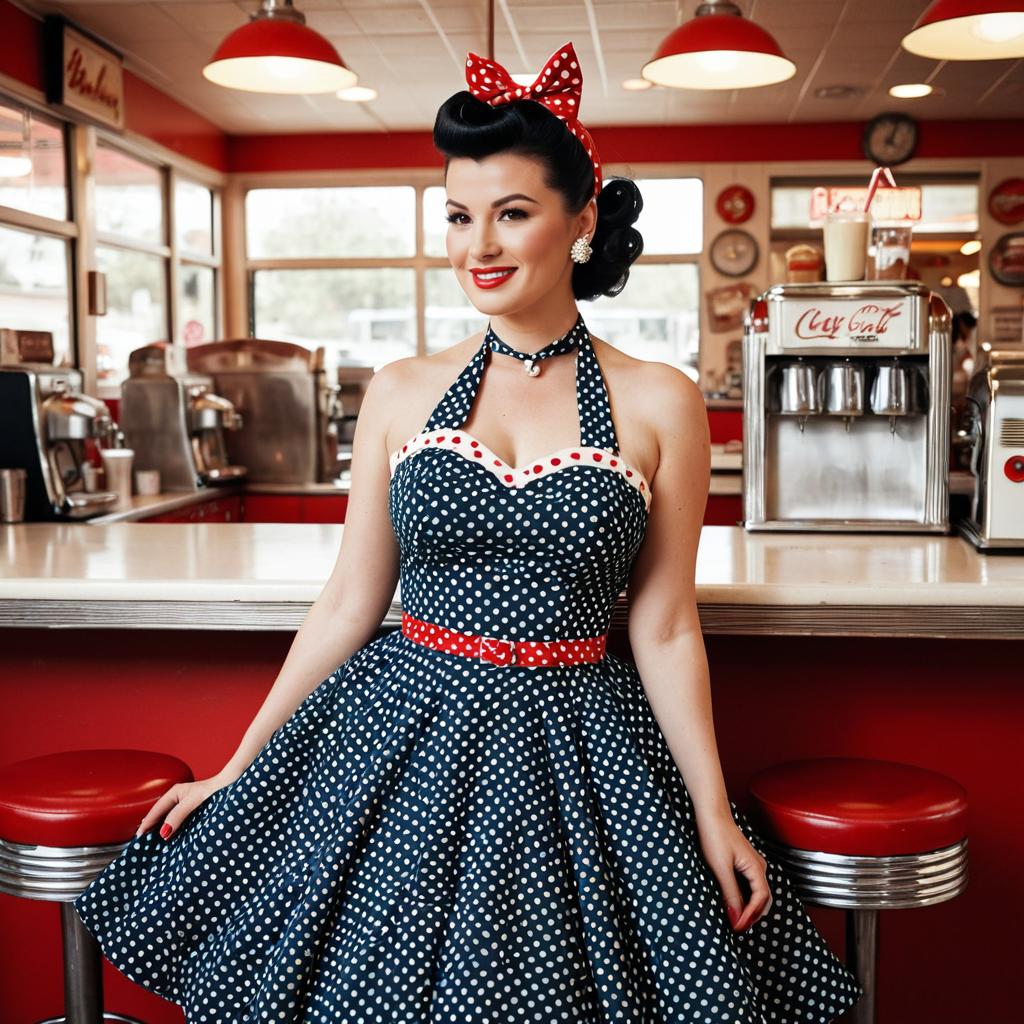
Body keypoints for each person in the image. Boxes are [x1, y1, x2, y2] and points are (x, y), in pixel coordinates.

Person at [72, 41, 863, 1023]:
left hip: (581, 740)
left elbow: (662, 624)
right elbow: (350, 599)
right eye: (457, 215)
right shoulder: (402, 391)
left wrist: (708, 806)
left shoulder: (660, 401)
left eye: (512, 213)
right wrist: (239, 763)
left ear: (580, 222)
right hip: (400, 728)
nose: (477, 244)